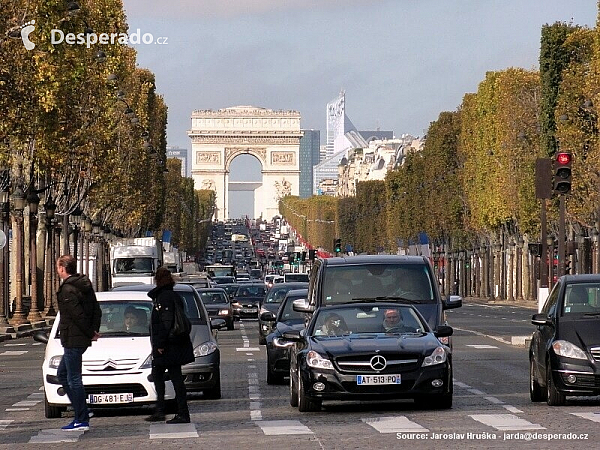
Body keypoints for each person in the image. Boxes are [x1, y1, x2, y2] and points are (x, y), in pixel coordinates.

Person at [56, 254, 101, 431]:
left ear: (62, 268)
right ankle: (82, 410)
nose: (57, 270)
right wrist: (94, 330)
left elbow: (77, 315)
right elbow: (96, 310)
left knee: (73, 378)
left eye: (58, 267)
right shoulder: (84, 285)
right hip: (78, 337)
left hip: (73, 338)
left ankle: (81, 417)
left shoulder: (68, 289)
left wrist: (90, 333)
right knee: (62, 374)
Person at [145, 267, 194, 424]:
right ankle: (162, 410)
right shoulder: (172, 296)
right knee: (161, 375)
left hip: (169, 346)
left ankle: (181, 413)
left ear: (157, 280)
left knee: (175, 378)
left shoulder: (164, 298)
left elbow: (166, 322)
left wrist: (160, 344)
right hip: (173, 344)